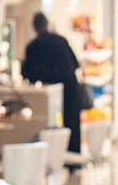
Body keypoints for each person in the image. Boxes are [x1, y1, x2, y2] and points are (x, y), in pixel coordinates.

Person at [23, 12, 84, 154]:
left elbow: (27, 74)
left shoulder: (33, 46)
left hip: (50, 93)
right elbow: (75, 64)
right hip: (70, 87)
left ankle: (53, 158)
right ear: (47, 24)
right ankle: (73, 159)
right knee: (72, 124)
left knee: (49, 126)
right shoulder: (60, 40)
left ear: (34, 27)